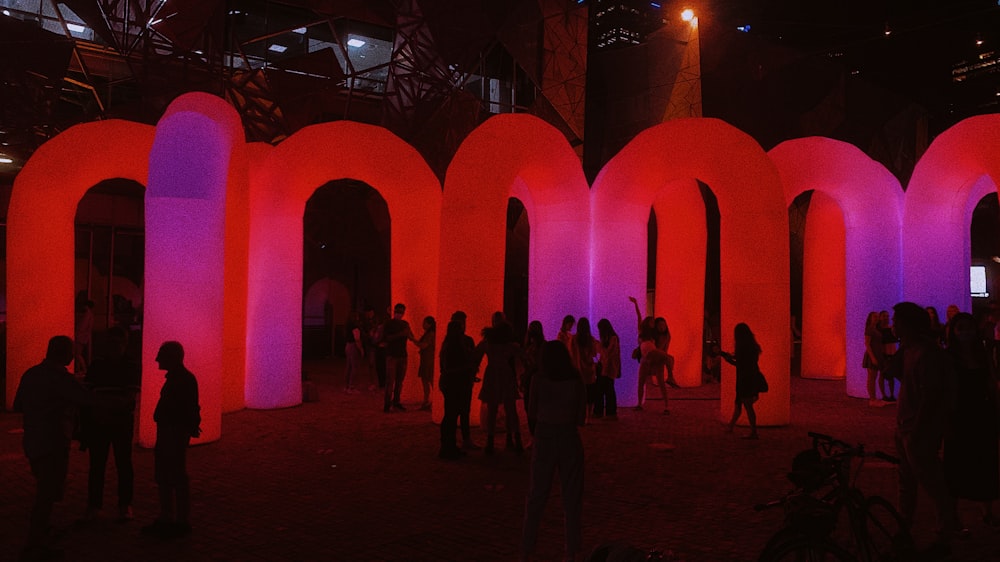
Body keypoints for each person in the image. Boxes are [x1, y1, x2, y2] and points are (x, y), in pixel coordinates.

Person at [14, 336, 101, 560]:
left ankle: (42, 531)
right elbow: (87, 400)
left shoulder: (31, 374)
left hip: (33, 439)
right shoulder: (61, 378)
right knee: (47, 493)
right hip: (54, 440)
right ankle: (36, 542)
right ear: (63, 353)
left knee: (45, 487)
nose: (73, 356)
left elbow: (18, 405)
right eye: (70, 351)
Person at [891, 302, 962, 556]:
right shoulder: (914, 350)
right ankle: (906, 529)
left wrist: (918, 429)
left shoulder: (924, 353)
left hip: (916, 429)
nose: (893, 324)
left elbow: (930, 395)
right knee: (908, 483)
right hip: (908, 427)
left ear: (908, 324)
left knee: (931, 483)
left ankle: (944, 535)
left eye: (896, 320)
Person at [521, 340, 587, 562]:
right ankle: (571, 552)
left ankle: (527, 550)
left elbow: (531, 412)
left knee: (536, 496)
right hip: (569, 437)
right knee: (572, 498)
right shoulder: (576, 380)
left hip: (545, 436)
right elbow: (581, 418)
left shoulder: (538, 379)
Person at [943, 312, 999, 527]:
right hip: (958, 414)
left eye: (969, 328)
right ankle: (953, 514)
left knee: (985, 461)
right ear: (953, 331)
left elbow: (991, 382)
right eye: (961, 328)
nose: (966, 332)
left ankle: (986, 510)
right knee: (955, 464)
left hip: (982, 413)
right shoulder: (948, 357)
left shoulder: (982, 354)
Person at [141, 341, 201, 539]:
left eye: (161, 355)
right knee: (172, 474)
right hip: (172, 431)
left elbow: (185, 408)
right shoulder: (184, 379)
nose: (157, 359)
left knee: (171, 474)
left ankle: (174, 518)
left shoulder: (180, 380)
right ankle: (175, 518)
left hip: (172, 432)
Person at [82, 326, 140, 523]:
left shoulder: (120, 365)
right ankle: (113, 505)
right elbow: (127, 397)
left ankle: (107, 505)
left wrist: (100, 407)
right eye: (112, 343)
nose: (114, 346)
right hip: (114, 420)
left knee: (117, 463)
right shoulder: (126, 365)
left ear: (124, 344)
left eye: (117, 343)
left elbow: (90, 394)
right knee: (105, 464)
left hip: (108, 421)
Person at [476, 311, 523, 455]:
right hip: (506, 374)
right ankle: (515, 440)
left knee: (493, 409)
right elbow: (522, 358)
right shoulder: (511, 345)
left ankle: (491, 442)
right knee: (510, 409)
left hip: (492, 374)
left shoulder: (487, 343)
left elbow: (475, 356)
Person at [438, 318, 480, 459]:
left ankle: (448, 446)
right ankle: (448, 448)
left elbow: (444, 367)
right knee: (452, 415)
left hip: (449, 383)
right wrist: (467, 369)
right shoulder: (455, 346)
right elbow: (451, 368)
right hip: (455, 384)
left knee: (449, 415)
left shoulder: (447, 345)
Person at [721, 323, 763, 439]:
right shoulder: (753, 347)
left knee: (746, 405)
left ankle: (754, 432)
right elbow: (746, 362)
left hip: (744, 379)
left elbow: (739, 364)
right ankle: (731, 426)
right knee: (740, 403)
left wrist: (728, 359)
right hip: (752, 376)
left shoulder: (741, 347)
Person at [629, 296, 670, 413]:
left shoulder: (655, 334)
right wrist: (636, 304)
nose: (653, 323)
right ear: (648, 323)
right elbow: (639, 317)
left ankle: (667, 406)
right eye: (652, 321)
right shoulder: (642, 331)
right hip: (644, 359)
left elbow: (663, 336)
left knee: (661, 382)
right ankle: (639, 404)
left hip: (654, 359)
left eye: (654, 322)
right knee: (641, 381)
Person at [379, 303, 418, 413]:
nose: (399, 314)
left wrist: (415, 339)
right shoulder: (389, 324)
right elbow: (387, 338)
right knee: (390, 381)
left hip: (402, 355)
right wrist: (402, 334)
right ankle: (387, 404)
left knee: (399, 381)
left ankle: (396, 402)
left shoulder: (405, 324)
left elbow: (411, 336)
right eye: (398, 311)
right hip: (392, 355)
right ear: (394, 312)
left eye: (401, 312)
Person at [569, 317, 598, 420]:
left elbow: (571, 354)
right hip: (589, 371)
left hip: (578, 370)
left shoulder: (574, 339)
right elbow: (594, 353)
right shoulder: (591, 339)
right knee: (590, 395)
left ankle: (579, 415)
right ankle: (588, 416)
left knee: (578, 394)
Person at [522, 321, 546, 435]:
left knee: (533, 407)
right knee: (529, 406)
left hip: (535, 378)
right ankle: (535, 435)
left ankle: (536, 434)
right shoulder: (531, 346)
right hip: (531, 379)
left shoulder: (538, 346)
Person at [595, 318, 621, 420]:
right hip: (606, 368)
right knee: (604, 390)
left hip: (609, 368)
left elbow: (608, 354)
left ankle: (607, 413)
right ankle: (608, 412)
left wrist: (599, 346)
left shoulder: (612, 338)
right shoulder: (610, 338)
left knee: (607, 390)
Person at [862, 311, 886, 406]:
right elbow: (867, 344)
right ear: (870, 318)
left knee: (874, 377)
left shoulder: (876, 329)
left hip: (877, 354)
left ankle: (874, 398)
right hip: (872, 355)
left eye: (877, 316)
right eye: (874, 317)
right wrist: (872, 357)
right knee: (872, 378)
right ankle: (872, 399)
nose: (876, 318)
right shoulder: (870, 329)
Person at [417, 316, 436, 411]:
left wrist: (412, 339)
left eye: (425, 323)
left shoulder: (430, 334)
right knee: (426, 381)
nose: (423, 325)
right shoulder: (428, 334)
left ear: (429, 324)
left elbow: (424, 345)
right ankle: (427, 401)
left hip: (428, 360)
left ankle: (428, 401)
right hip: (426, 359)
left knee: (429, 381)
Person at [343, 311, 365, 394]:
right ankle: (352, 386)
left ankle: (346, 386)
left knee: (348, 366)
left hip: (348, 345)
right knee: (354, 367)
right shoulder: (355, 327)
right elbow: (357, 339)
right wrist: (361, 348)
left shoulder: (347, 326)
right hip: (353, 346)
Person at [879, 310, 898, 402]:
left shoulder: (892, 328)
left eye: (887, 316)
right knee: (882, 374)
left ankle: (891, 394)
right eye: (884, 316)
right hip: (884, 354)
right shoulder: (879, 330)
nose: (886, 318)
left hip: (892, 352)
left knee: (891, 375)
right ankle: (884, 394)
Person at [74, 291, 94, 377]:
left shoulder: (86, 315)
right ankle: (80, 369)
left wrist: (76, 332)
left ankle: (83, 369)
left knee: (77, 354)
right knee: (77, 354)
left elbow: (82, 326)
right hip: (83, 337)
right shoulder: (90, 315)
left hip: (80, 337)